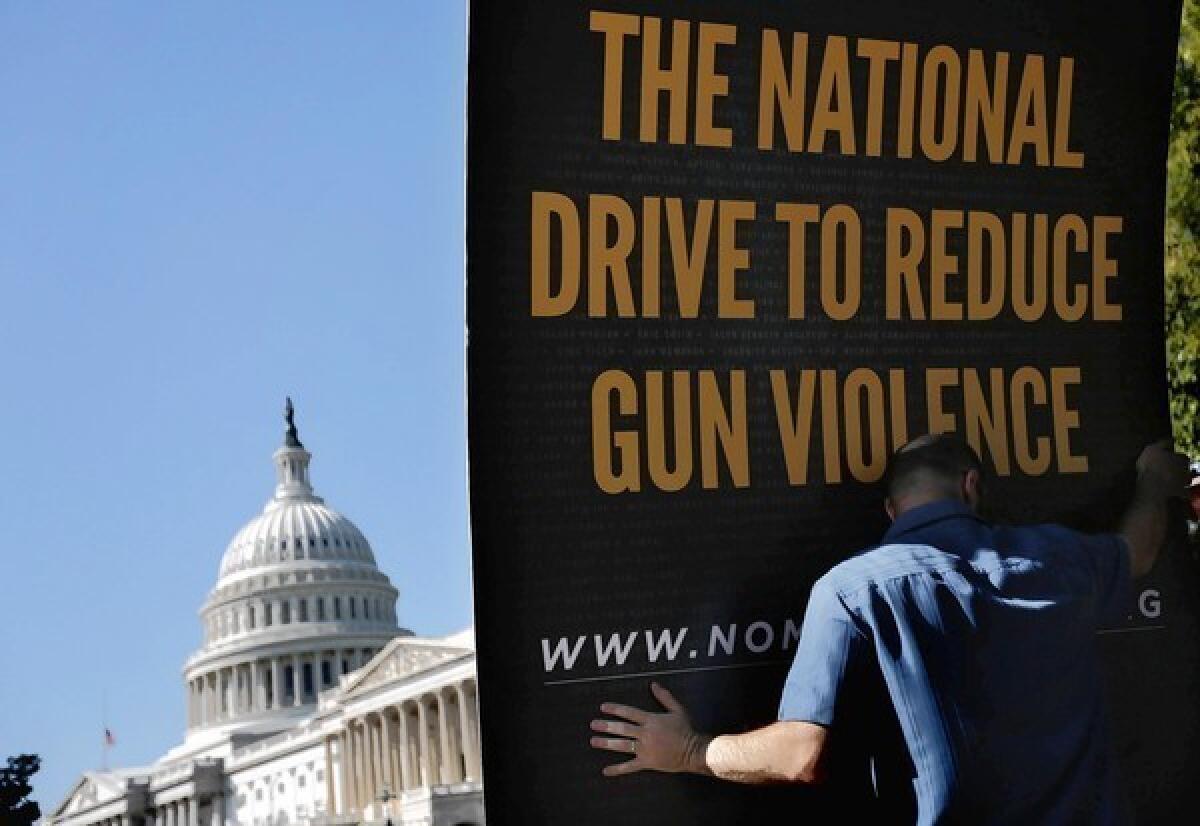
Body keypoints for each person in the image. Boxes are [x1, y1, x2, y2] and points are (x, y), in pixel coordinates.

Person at [589, 435, 1193, 824]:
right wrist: (1153, 483)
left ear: (889, 510)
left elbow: (800, 755)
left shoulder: (851, 591)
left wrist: (692, 750)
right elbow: (1138, 551)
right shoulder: (1058, 559)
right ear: (971, 486)